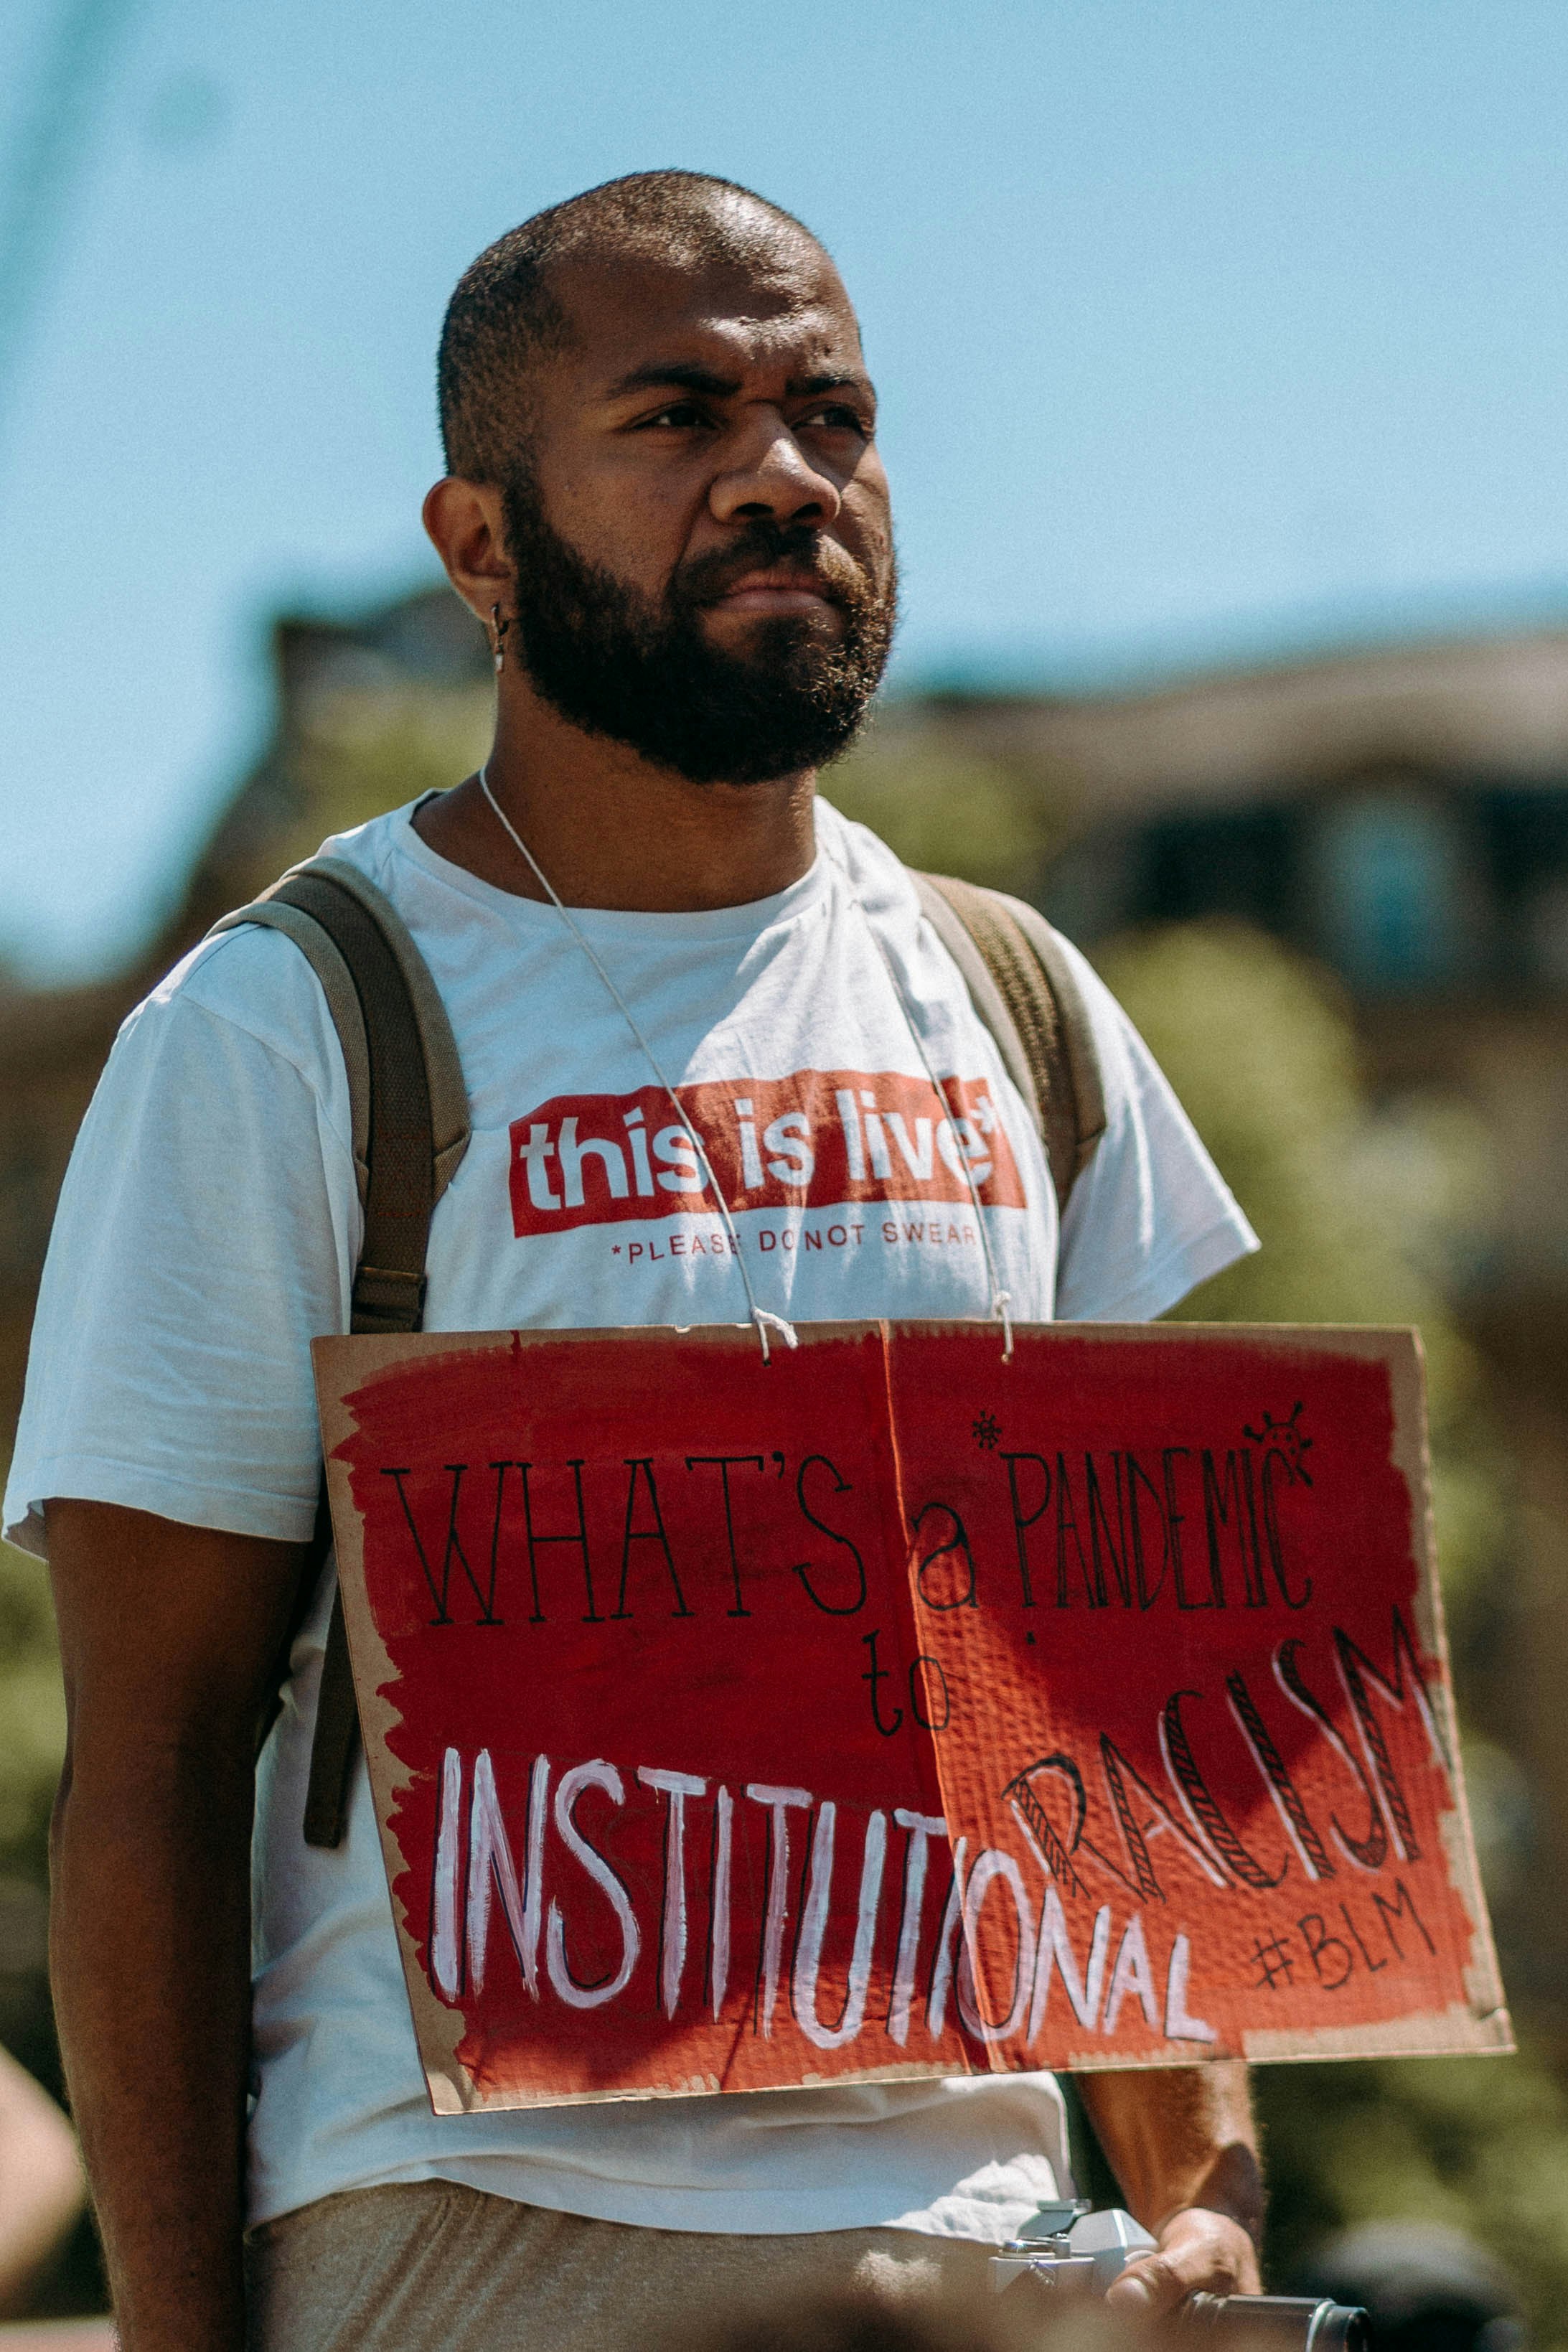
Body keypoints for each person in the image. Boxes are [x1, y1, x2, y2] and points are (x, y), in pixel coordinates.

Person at [8, 172, 1266, 2352]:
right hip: (476, 2225)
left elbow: (1100, 1690)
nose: (783, 478)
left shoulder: (1013, 997)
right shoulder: (286, 1023)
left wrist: (1208, 2192)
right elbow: (148, 1765)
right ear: (480, 548)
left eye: (833, 415)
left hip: (991, 2230)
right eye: (677, 417)